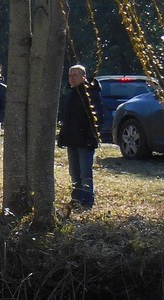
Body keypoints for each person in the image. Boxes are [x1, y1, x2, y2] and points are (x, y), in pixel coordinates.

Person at [57, 64, 103, 210]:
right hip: (72, 140)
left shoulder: (91, 94)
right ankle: (76, 199)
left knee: (85, 173)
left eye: (75, 75)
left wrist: (91, 138)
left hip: (85, 141)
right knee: (74, 173)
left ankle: (87, 201)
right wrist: (63, 136)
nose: (71, 78)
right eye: (70, 75)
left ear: (83, 77)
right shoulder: (72, 93)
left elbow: (96, 118)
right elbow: (67, 118)